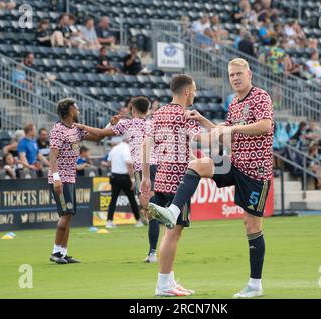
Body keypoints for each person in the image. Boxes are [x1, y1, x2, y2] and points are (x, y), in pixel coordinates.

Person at [144, 59, 274, 298]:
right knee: (196, 165)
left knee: (252, 224)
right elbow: (224, 137)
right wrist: (205, 121)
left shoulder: (260, 96)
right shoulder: (233, 103)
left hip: (256, 170)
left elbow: (265, 125)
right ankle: (173, 211)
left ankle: (255, 285)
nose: (235, 78)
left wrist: (232, 130)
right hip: (235, 164)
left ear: (249, 73)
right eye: (231, 74)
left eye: (238, 74)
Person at [139, 74, 201, 296]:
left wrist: (145, 176)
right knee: (173, 233)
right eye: (194, 89)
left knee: (170, 232)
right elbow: (204, 139)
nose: (195, 93)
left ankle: (169, 280)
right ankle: (163, 285)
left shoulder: (160, 113)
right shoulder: (185, 115)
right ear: (186, 91)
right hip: (179, 182)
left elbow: (147, 143)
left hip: (162, 178)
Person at [76, 97, 159, 261]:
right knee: (152, 210)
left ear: (132, 110)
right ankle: (154, 250)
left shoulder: (128, 124)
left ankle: (153, 253)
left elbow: (100, 134)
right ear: (147, 110)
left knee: (151, 212)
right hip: (156, 167)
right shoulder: (154, 125)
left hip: (141, 170)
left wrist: (82, 126)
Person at [48, 98, 102, 264]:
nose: (78, 110)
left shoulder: (76, 129)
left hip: (70, 177)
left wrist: (110, 125)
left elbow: (98, 138)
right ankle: (56, 252)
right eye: (76, 108)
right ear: (69, 111)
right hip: (61, 178)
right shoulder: (58, 130)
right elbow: (52, 156)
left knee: (68, 215)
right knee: (66, 213)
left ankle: (63, 252)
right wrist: (56, 179)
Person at [105, 137, 144, 228]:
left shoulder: (114, 148)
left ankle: (109, 221)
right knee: (132, 199)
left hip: (114, 176)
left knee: (113, 200)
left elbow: (108, 163)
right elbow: (128, 163)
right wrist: (133, 179)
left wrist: (116, 167)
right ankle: (138, 220)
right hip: (124, 177)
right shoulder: (127, 148)